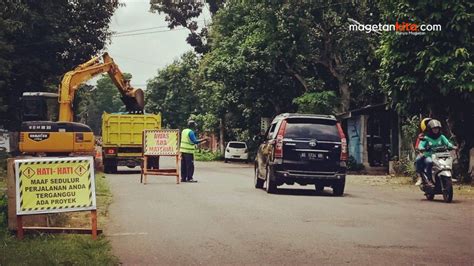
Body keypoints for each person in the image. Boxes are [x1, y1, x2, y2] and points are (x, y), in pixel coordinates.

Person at [417, 119, 455, 187]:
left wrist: (453, 146)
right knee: (429, 162)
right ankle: (429, 180)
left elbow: (447, 143)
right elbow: (421, 145)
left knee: (448, 162)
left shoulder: (441, 137)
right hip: (429, 156)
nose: (436, 130)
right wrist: (421, 148)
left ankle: (449, 177)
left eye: (437, 128)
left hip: (440, 155)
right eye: (434, 128)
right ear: (430, 129)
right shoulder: (426, 138)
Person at [414, 118, 431, 185]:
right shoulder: (422, 136)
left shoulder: (438, 134)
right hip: (425, 153)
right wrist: (421, 150)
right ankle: (420, 176)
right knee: (418, 159)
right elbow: (417, 146)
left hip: (436, 153)